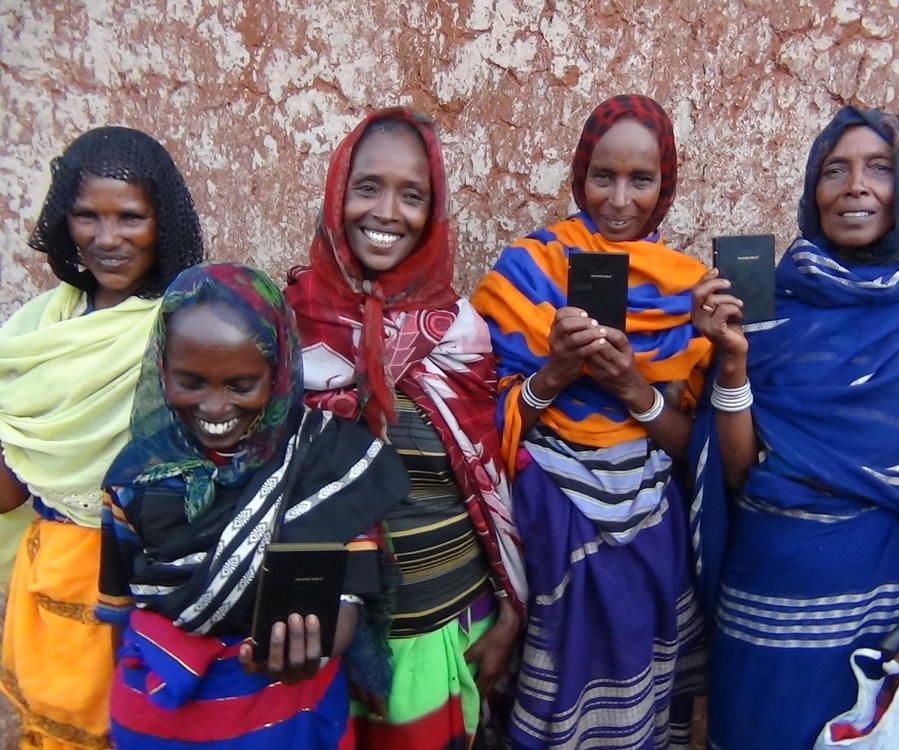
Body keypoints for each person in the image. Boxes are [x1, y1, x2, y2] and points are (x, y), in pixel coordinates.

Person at [689, 106, 899, 749]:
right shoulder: (768, 312)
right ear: (813, 191)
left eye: (879, 169)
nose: (856, 185)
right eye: (836, 169)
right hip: (764, 606)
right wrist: (734, 360)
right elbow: (739, 473)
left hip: (882, 609)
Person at [471, 94, 711, 749]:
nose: (620, 199)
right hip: (549, 527)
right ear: (579, 175)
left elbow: (704, 452)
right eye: (603, 176)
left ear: (665, 185)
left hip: (650, 535)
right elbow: (472, 419)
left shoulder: (691, 291)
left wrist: (632, 386)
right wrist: (553, 374)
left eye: (642, 180)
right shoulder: (528, 271)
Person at [285, 107, 527, 749]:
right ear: (338, 193)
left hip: (446, 631)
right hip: (320, 642)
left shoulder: (462, 334)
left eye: (412, 195)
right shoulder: (286, 329)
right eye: (368, 187)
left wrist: (510, 609)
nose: (387, 212)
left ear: (434, 211)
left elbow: (491, 481)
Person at [97, 262, 409, 748]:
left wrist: (318, 642)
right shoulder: (133, 478)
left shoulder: (328, 464)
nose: (216, 408)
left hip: (288, 713)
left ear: (279, 372)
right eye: (190, 381)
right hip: (161, 721)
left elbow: (347, 599)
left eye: (241, 385)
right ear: (161, 369)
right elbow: (120, 613)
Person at [0, 126, 203, 749]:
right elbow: (11, 487)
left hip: (148, 583)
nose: (106, 238)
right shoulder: (37, 327)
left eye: (130, 217)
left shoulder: (189, 321)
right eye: (87, 215)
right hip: (49, 573)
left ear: (161, 221)